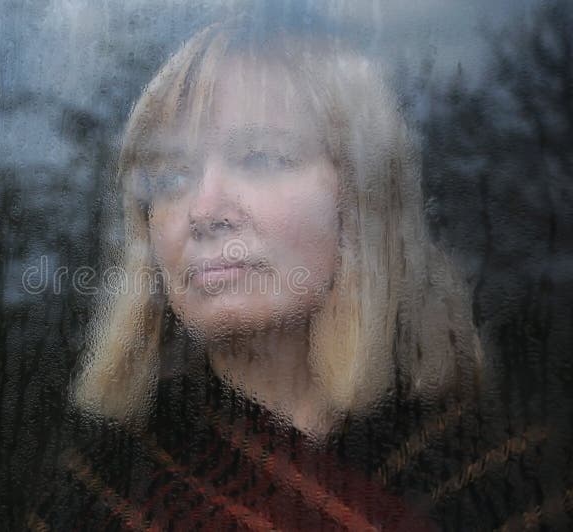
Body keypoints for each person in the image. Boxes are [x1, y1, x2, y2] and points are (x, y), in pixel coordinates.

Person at [28, 14, 568, 531]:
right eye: (169, 176)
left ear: (361, 201)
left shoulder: (496, 476)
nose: (203, 209)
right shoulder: (105, 492)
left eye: (261, 158)